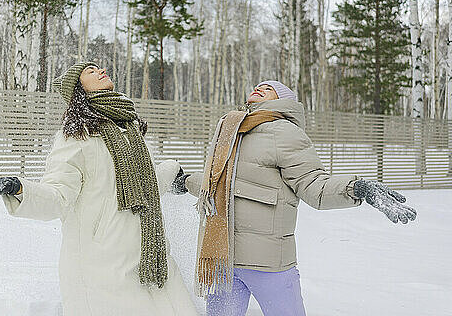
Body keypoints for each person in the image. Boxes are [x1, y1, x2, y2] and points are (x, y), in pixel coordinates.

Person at [0, 62, 198, 316]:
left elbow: (143, 185)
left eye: (99, 68)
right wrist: (18, 189)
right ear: (79, 90)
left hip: (152, 258)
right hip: (104, 265)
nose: (100, 71)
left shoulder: (129, 128)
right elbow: (58, 196)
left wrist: (172, 175)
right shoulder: (76, 136)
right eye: (90, 71)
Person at [171, 80, 417, 316]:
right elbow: (215, 184)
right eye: (258, 86)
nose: (259, 89)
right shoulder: (229, 129)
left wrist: (357, 188)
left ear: (283, 101)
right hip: (221, 258)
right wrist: (184, 182)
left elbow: (314, 185)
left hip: (268, 263)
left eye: (268, 88)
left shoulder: (285, 132)